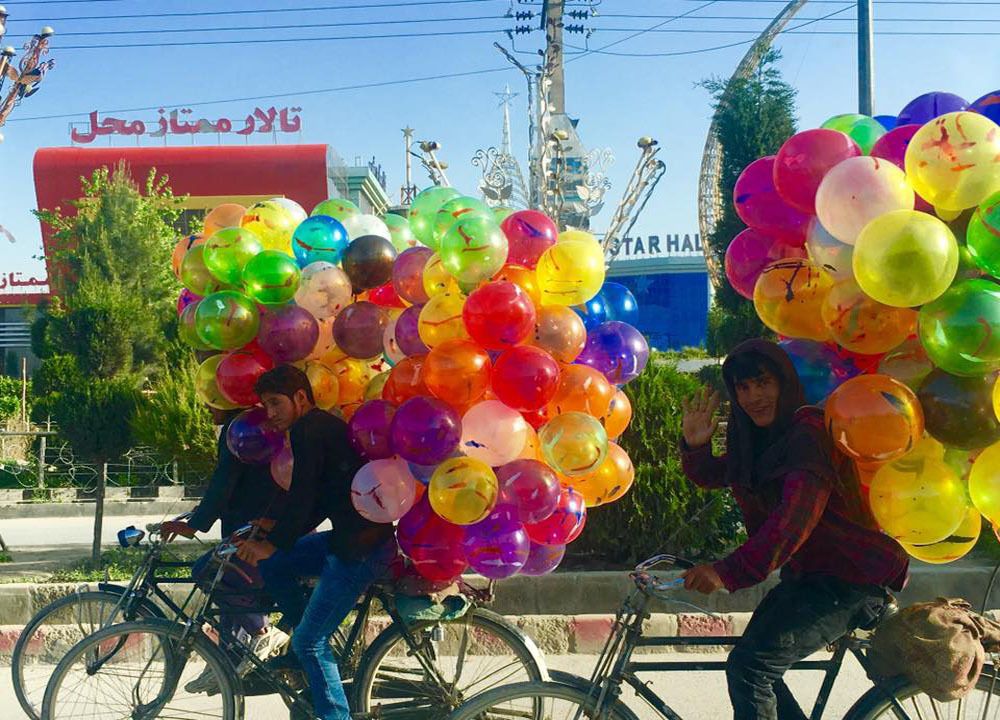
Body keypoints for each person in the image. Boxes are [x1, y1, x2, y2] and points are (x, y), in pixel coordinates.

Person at [679, 339, 908, 720]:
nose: (754, 397)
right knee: (750, 665)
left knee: (750, 670)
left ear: (784, 382)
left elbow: (793, 521)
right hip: (811, 578)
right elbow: (732, 475)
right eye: (744, 388)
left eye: (763, 383)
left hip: (849, 580)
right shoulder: (756, 435)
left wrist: (726, 571)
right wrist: (696, 446)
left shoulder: (808, 433)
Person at [235, 364, 396, 720]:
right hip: (347, 538)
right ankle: (303, 640)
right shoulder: (317, 426)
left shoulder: (309, 430)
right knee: (276, 566)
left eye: (276, 404)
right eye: (266, 406)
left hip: (361, 550)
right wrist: (274, 529)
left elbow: (304, 495)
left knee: (310, 640)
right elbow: (318, 501)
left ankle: (329, 702)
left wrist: (272, 542)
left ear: (301, 398)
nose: (272, 414)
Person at [160, 406, 290, 693]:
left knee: (207, 572)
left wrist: (195, 524)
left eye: (210, 398)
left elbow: (224, 483)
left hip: (259, 532)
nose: (206, 406)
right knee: (229, 594)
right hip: (259, 527)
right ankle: (224, 663)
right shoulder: (261, 421)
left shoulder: (240, 427)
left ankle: (262, 633)